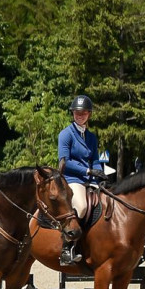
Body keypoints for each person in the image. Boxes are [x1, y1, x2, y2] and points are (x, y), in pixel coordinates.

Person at [57, 94, 106, 265]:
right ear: (73, 114)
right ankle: (67, 248)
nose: (80, 115)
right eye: (77, 113)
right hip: (72, 178)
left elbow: (96, 160)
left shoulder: (91, 137)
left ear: (89, 114)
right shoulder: (66, 134)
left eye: (84, 112)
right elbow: (65, 162)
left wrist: (100, 176)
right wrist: (88, 170)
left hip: (89, 179)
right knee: (82, 206)